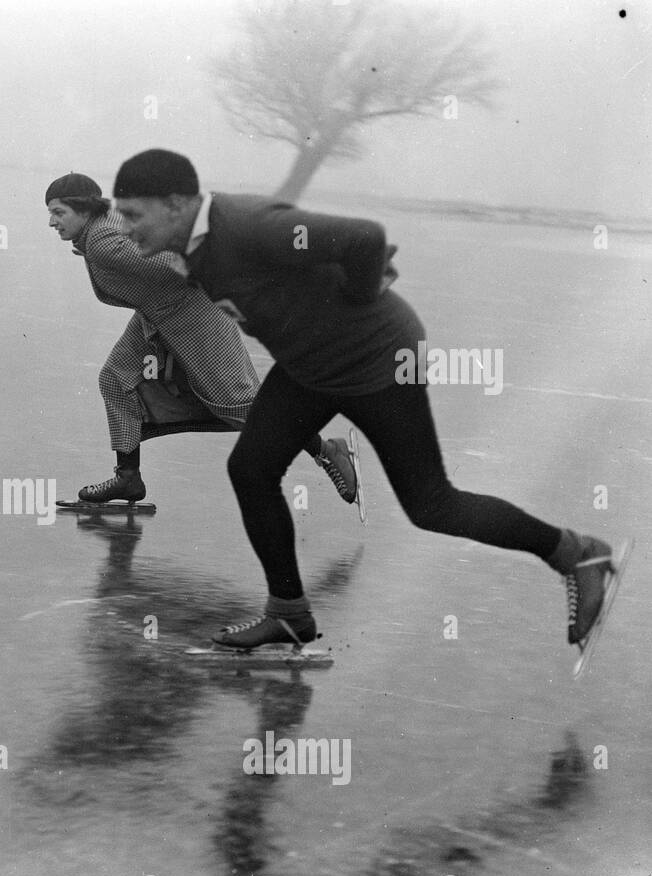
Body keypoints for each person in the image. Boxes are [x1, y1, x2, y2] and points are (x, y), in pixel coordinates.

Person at [111, 147, 617, 652]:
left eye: (133, 214)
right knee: (251, 469)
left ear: (176, 204)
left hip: (378, 361)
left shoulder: (245, 224)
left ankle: (576, 553)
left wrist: (357, 298)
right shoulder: (190, 245)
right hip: (311, 366)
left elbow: (363, 238)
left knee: (432, 504)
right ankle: (288, 614)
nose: (127, 228)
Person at [44, 173, 358, 506]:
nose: (51, 222)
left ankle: (326, 450)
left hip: (194, 315)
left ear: (84, 208)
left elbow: (177, 260)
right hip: (158, 313)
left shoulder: (104, 243)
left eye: (59, 212)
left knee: (238, 406)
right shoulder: (104, 226)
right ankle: (128, 478)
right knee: (115, 379)